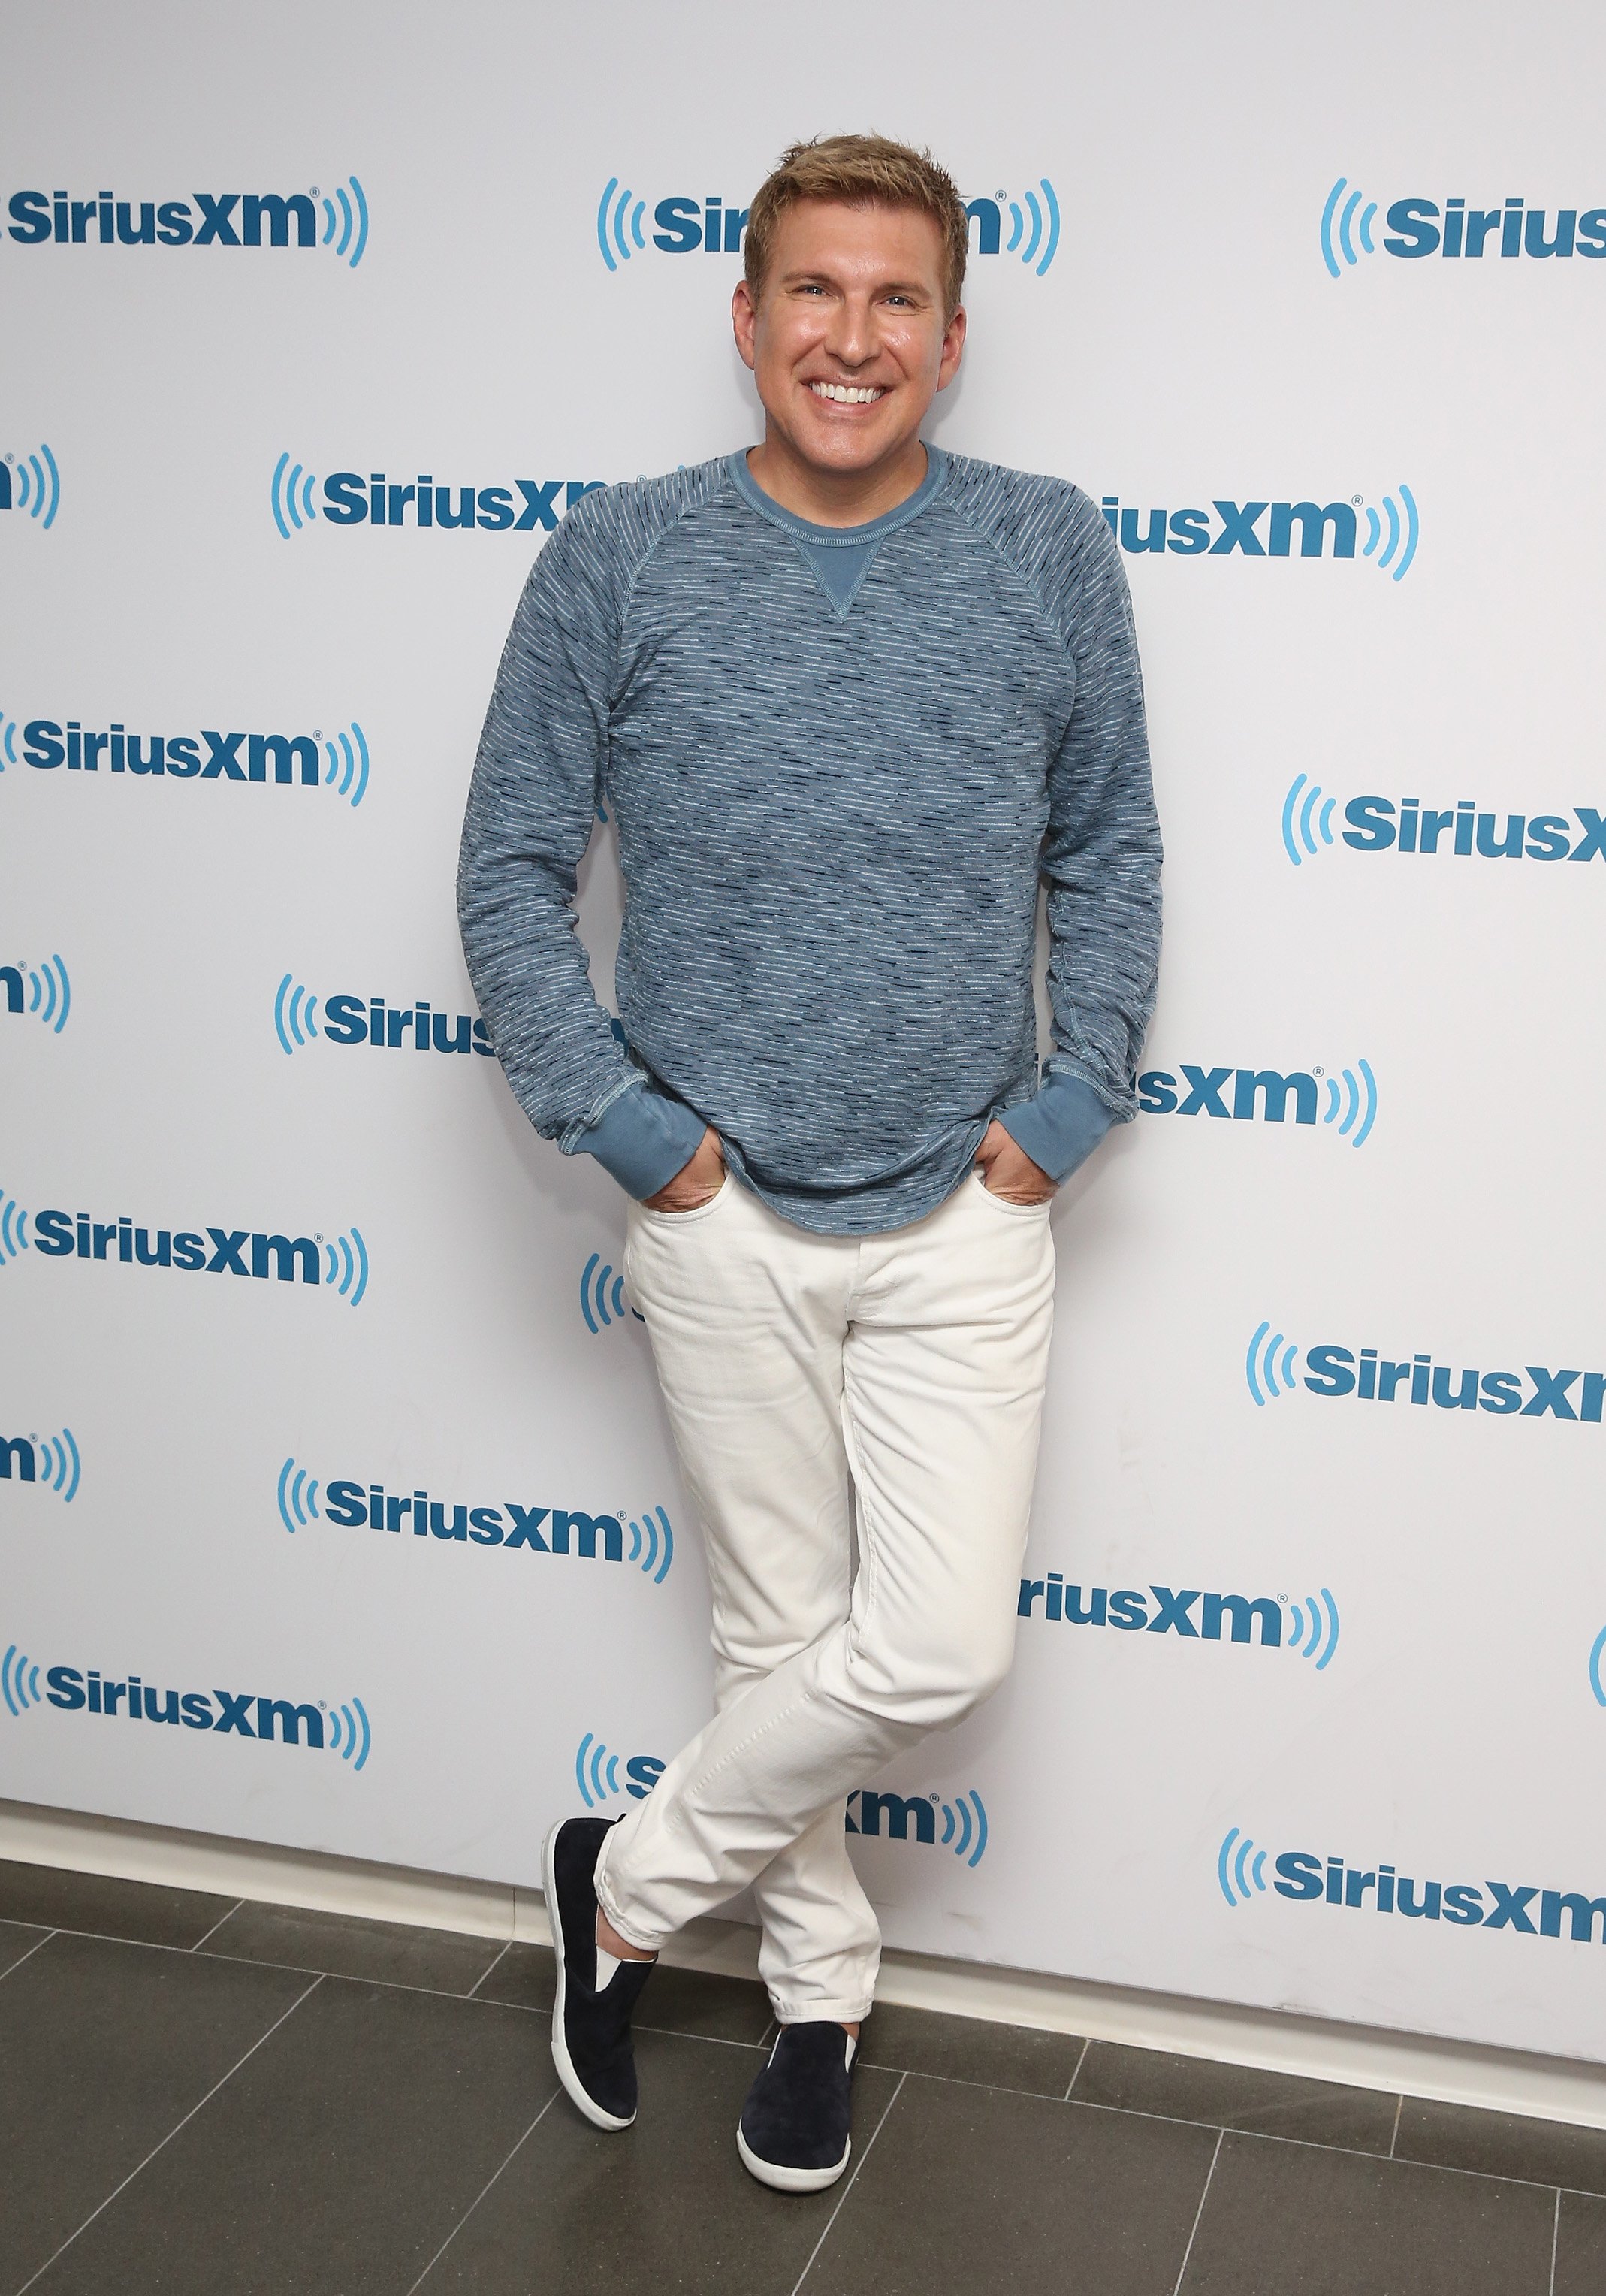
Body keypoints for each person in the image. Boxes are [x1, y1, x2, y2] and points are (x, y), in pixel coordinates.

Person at [457, 132, 1161, 2192]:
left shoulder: (1044, 550)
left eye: (896, 302)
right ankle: (820, 2005)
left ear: (952, 335)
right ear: (745, 316)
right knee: (781, 1641)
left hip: (965, 1198)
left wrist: (1060, 1116)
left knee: (929, 1642)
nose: (851, 339)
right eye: (813, 295)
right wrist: (631, 1135)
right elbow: (510, 870)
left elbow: (1105, 847)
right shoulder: (621, 555)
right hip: (716, 1200)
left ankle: (623, 1886)